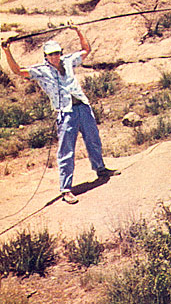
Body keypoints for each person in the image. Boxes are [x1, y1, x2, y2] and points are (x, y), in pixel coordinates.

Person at [2, 26, 119, 204]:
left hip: (83, 107)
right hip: (66, 113)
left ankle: (101, 169)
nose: (55, 56)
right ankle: (66, 189)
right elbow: (18, 71)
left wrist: (78, 31)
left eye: (57, 53)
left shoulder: (68, 61)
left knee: (93, 139)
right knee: (66, 150)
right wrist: (7, 51)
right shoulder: (41, 70)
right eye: (51, 54)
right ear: (46, 56)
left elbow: (86, 50)